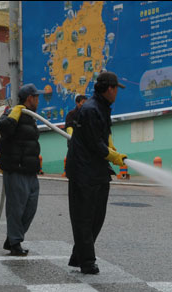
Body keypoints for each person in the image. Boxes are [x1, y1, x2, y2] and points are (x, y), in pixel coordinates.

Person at [65, 71, 127, 274]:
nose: (118, 92)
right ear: (110, 88)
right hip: (83, 171)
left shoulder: (102, 107)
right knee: (84, 217)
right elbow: (94, 144)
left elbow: (102, 137)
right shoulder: (91, 109)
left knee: (97, 216)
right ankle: (87, 262)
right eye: (117, 88)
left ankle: (79, 255)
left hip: (97, 170)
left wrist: (111, 147)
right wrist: (114, 157)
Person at [0, 83, 44, 256]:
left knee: (30, 207)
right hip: (16, 170)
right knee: (16, 209)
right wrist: (13, 115)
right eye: (36, 97)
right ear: (29, 98)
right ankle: (15, 242)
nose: (39, 100)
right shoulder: (13, 112)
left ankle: (12, 238)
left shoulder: (31, 117)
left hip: (30, 171)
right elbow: (3, 127)